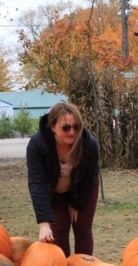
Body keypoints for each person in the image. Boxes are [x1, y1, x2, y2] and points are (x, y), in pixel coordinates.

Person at [26, 102, 100, 257]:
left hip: (82, 188)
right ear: (53, 127)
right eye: (66, 127)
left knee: (82, 227)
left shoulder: (89, 144)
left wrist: (76, 202)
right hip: (54, 190)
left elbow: (88, 177)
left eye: (76, 127)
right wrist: (44, 223)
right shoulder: (38, 145)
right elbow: (37, 184)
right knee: (58, 230)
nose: (72, 132)